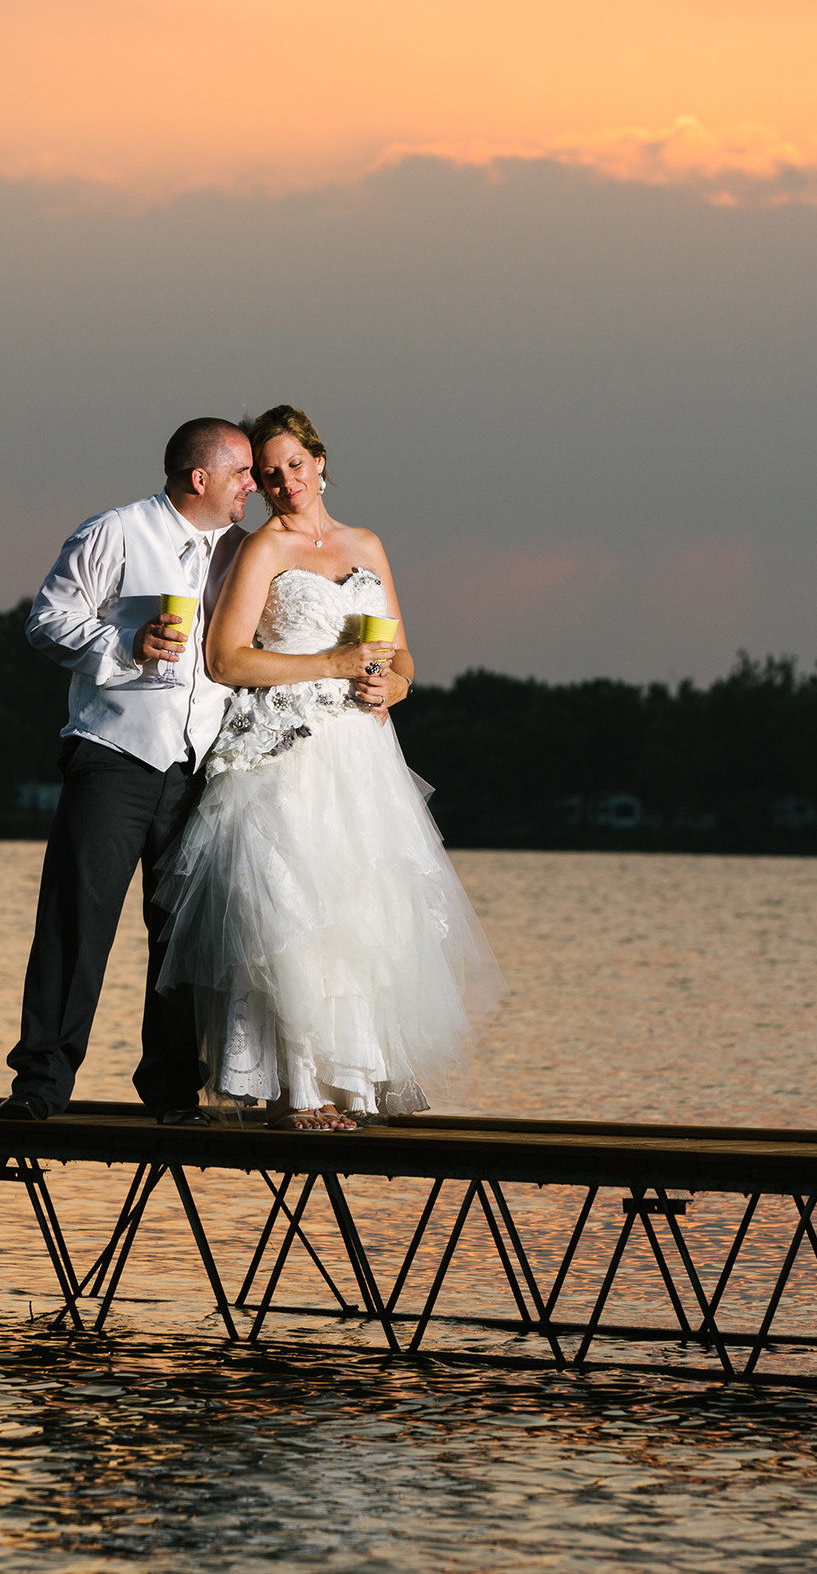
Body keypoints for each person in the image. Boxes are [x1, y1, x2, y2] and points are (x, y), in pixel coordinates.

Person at [154, 405, 506, 1131]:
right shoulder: (262, 550)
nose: (284, 481)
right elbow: (225, 659)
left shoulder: (367, 544)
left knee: (361, 917)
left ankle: (354, 1080)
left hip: (363, 759)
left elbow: (402, 656)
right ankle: (299, 1090)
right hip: (286, 755)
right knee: (290, 917)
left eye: (295, 463)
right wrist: (333, 664)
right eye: (269, 472)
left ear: (320, 460)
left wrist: (393, 684)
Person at [0, 417, 255, 1123]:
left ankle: (171, 1091)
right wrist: (127, 642)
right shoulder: (115, 532)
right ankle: (40, 1088)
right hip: (114, 759)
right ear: (199, 477)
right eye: (241, 473)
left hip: (196, 771)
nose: (252, 485)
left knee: (179, 937)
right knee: (77, 925)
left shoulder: (243, 552)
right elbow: (47, 621)